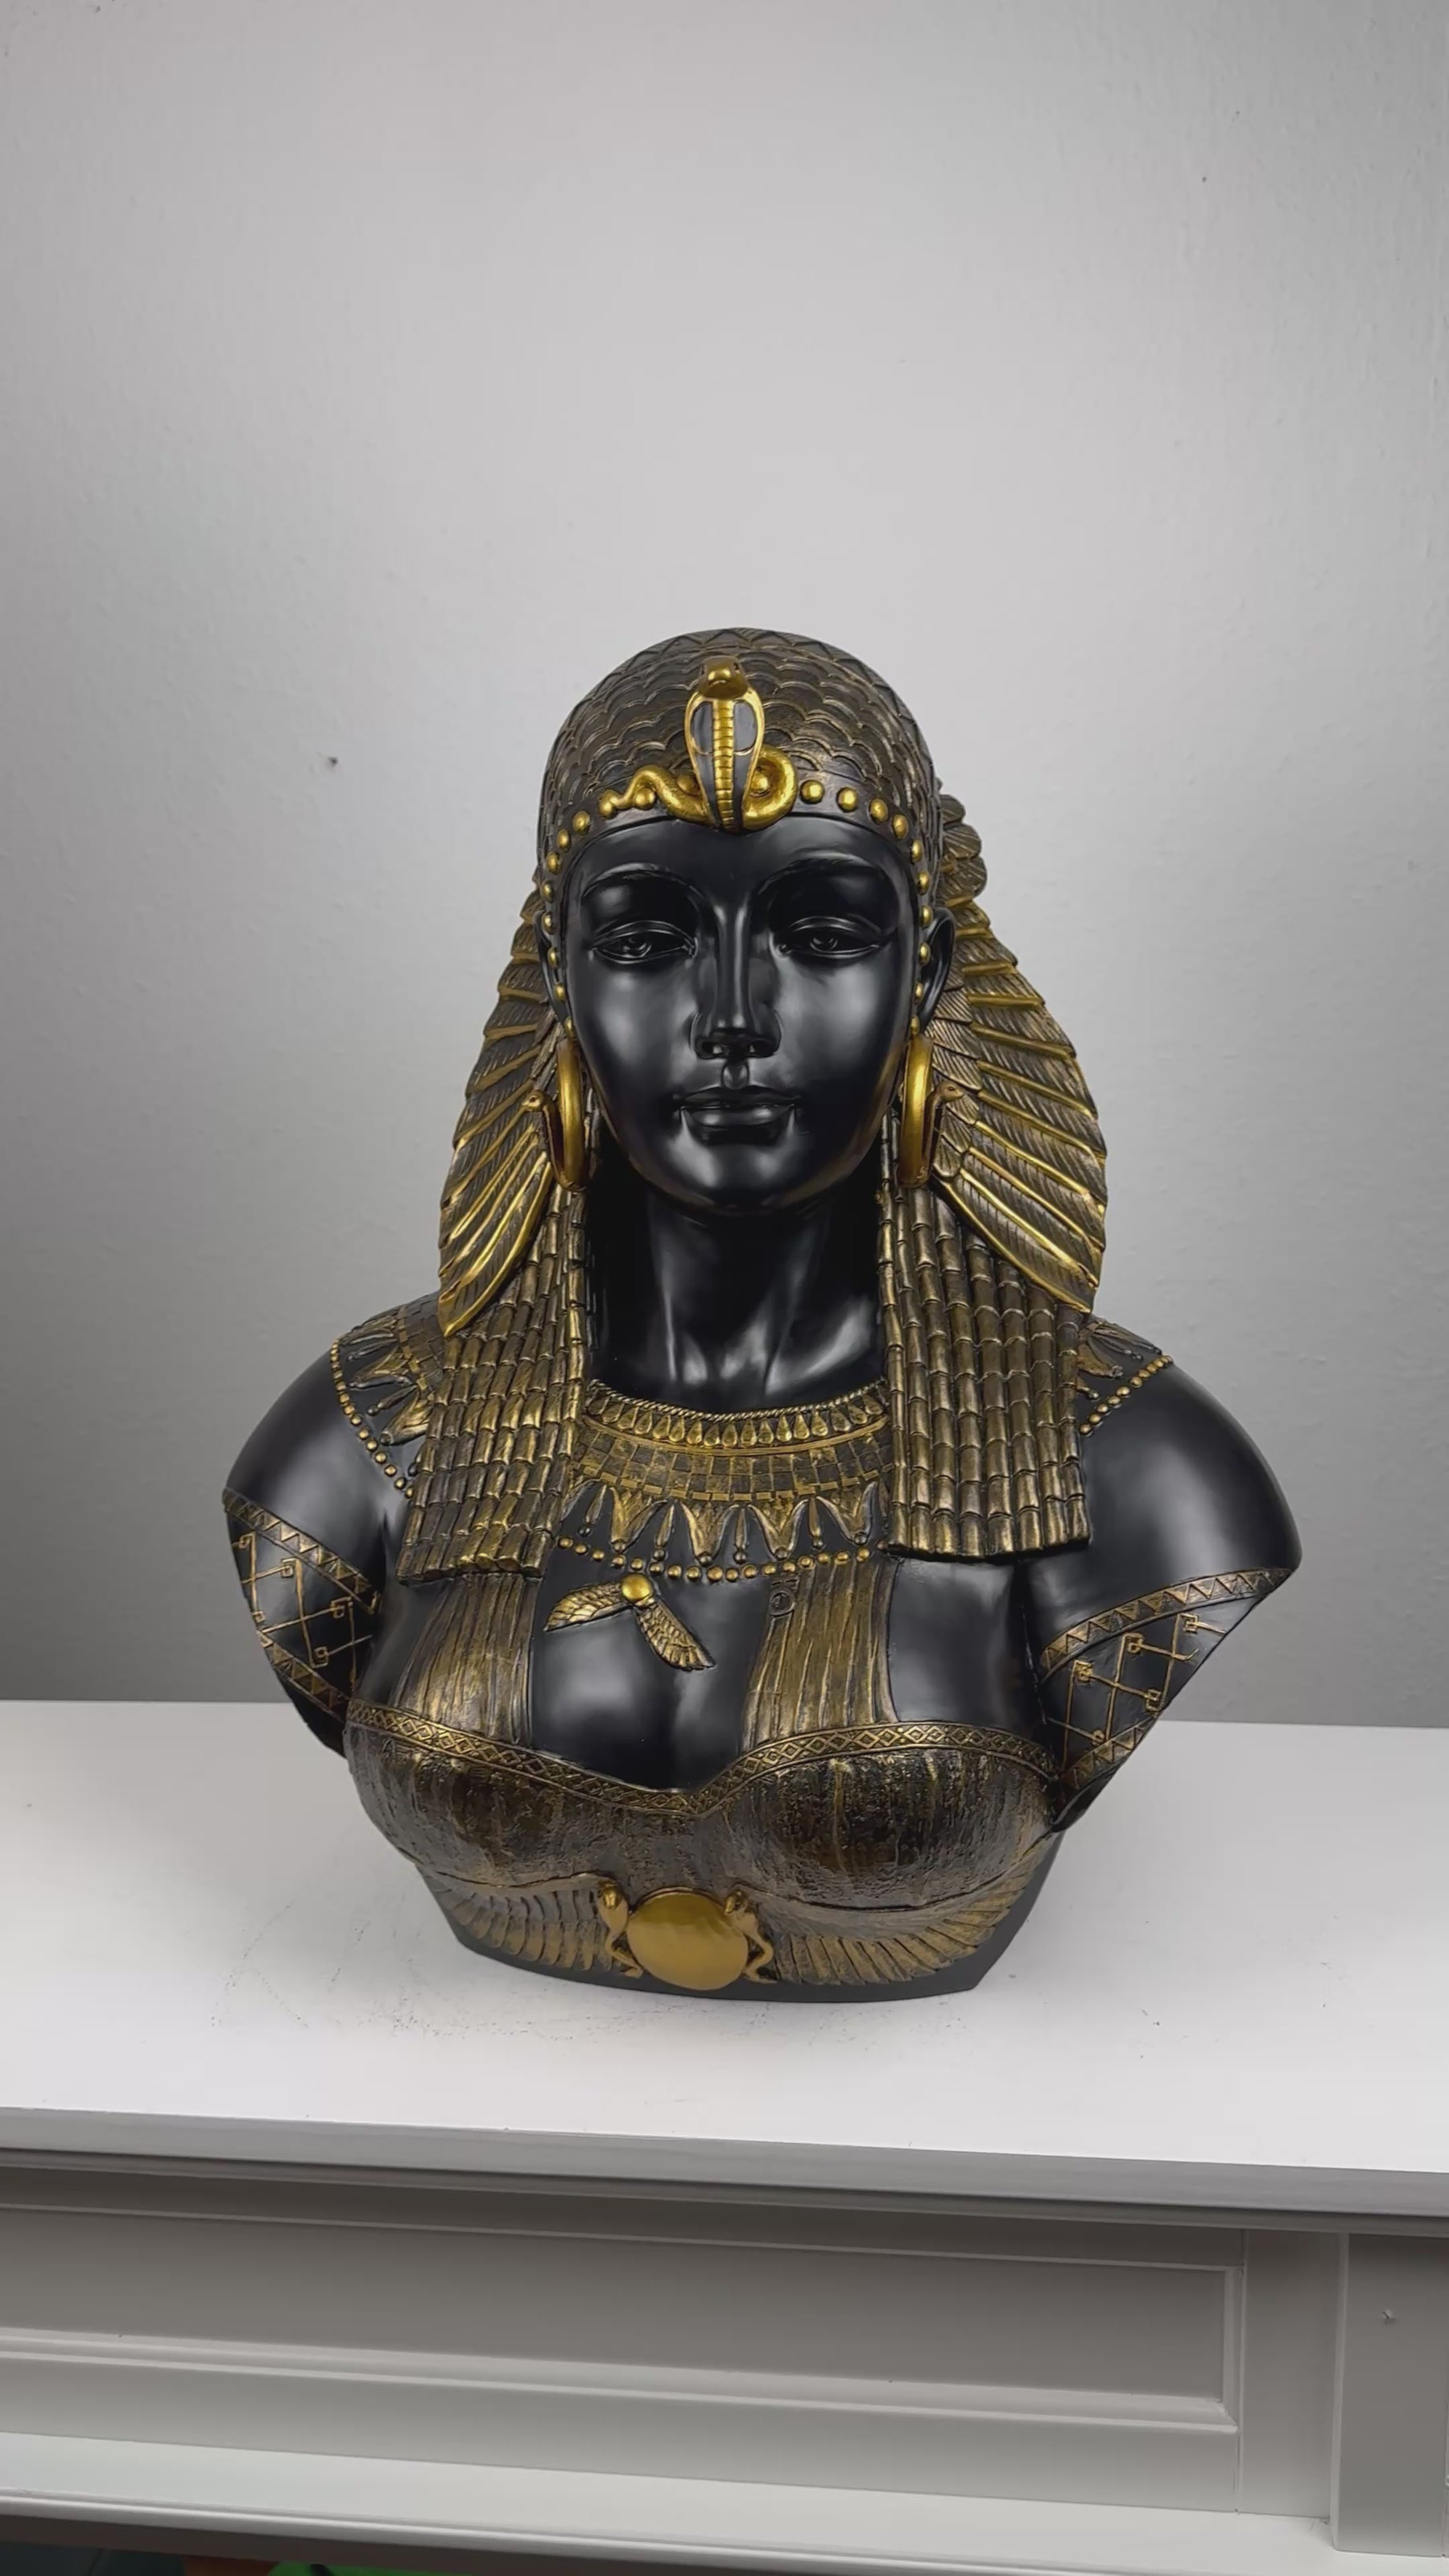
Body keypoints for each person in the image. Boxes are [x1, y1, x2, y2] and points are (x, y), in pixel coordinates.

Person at [225, 631, 1298, 1996]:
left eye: (824, 933)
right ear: (559, 976)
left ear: (925, 972)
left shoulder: (1139, 1466)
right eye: (648, 940)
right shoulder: (361, 1440)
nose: (733, 1015)